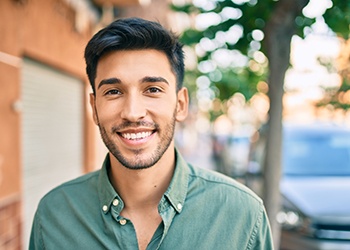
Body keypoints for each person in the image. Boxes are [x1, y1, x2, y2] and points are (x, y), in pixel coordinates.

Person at [29, 17, 274, 250]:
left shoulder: (242, 214)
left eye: (153, 89)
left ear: (180, 104)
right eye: (114, 92)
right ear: (94, 108)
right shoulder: (54, 214)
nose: (133, 113)